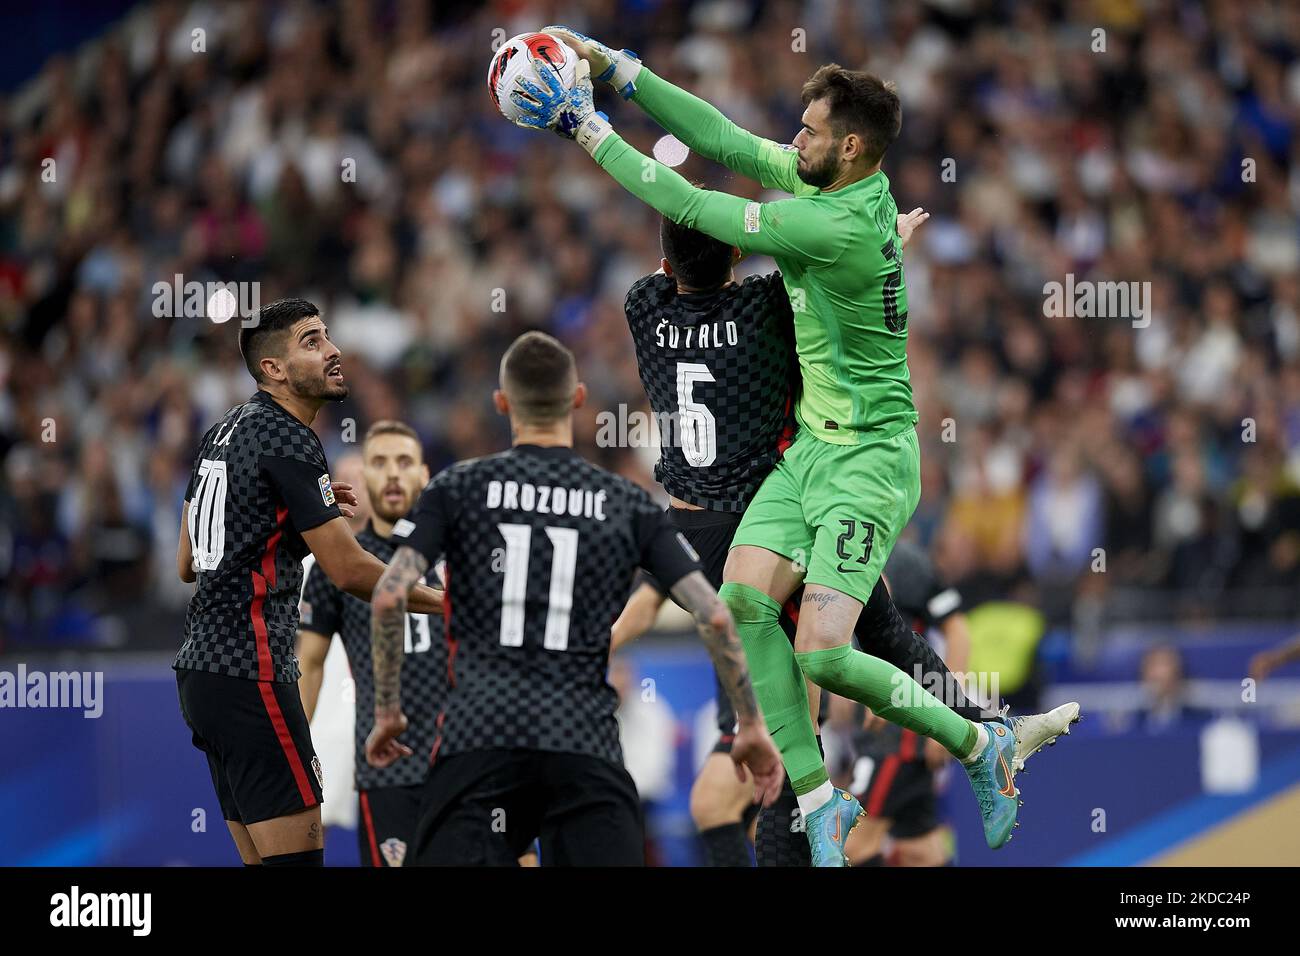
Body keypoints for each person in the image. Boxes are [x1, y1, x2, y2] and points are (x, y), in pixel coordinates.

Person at [514, 34, 1076, 863]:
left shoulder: (825, 223)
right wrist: (620, 67)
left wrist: (586, 127)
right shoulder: (850, 186)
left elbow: (696, 205)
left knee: (823, 648)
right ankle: (820, 800)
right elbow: (725, 141)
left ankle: (976, 742)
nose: (795, 140)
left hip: (869, 463)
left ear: (848, 146)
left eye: (810, 131)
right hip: (811, 446)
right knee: (743, 605)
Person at [364, 331, 783, 865]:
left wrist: (388, 711)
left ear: (501, 403)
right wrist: (747, 724)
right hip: (582, 743)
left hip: (480, 738)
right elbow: (715, 614)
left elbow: (386, 596)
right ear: (578, 398)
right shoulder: (627, 502)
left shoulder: (458, 488)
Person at [174, 298, 442, 867]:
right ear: (274, 368)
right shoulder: (288, 437)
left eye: (328, 335)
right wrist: (446, 604)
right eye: (312, 341)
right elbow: (348, 570)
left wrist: (292, 524)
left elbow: (188, 560)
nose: (333, 349)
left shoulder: (219, 433)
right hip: (253, 669)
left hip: (201, 675)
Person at [296, 420, 441, 867]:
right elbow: (311, 663)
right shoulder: (339, 566)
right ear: (364, 476)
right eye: (379, 463)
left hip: (462, 760)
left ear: (424, 474)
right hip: (385, 771)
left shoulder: (463, 553)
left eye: (404, 462)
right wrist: (293, 756)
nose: (392, 474)